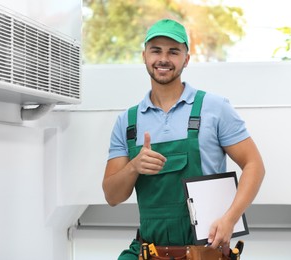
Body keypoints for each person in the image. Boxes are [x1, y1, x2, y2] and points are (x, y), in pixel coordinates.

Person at [102, 19, 265, 260]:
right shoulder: (128, 122)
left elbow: (254, 165)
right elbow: (112, 196)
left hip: (205, 253)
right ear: (144, 56)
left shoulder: (215, 108)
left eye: (173, 51)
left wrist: (230, 219)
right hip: (149, 253)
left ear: (186, 59)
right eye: (156, 50)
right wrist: (134, 167)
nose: (163, 59)